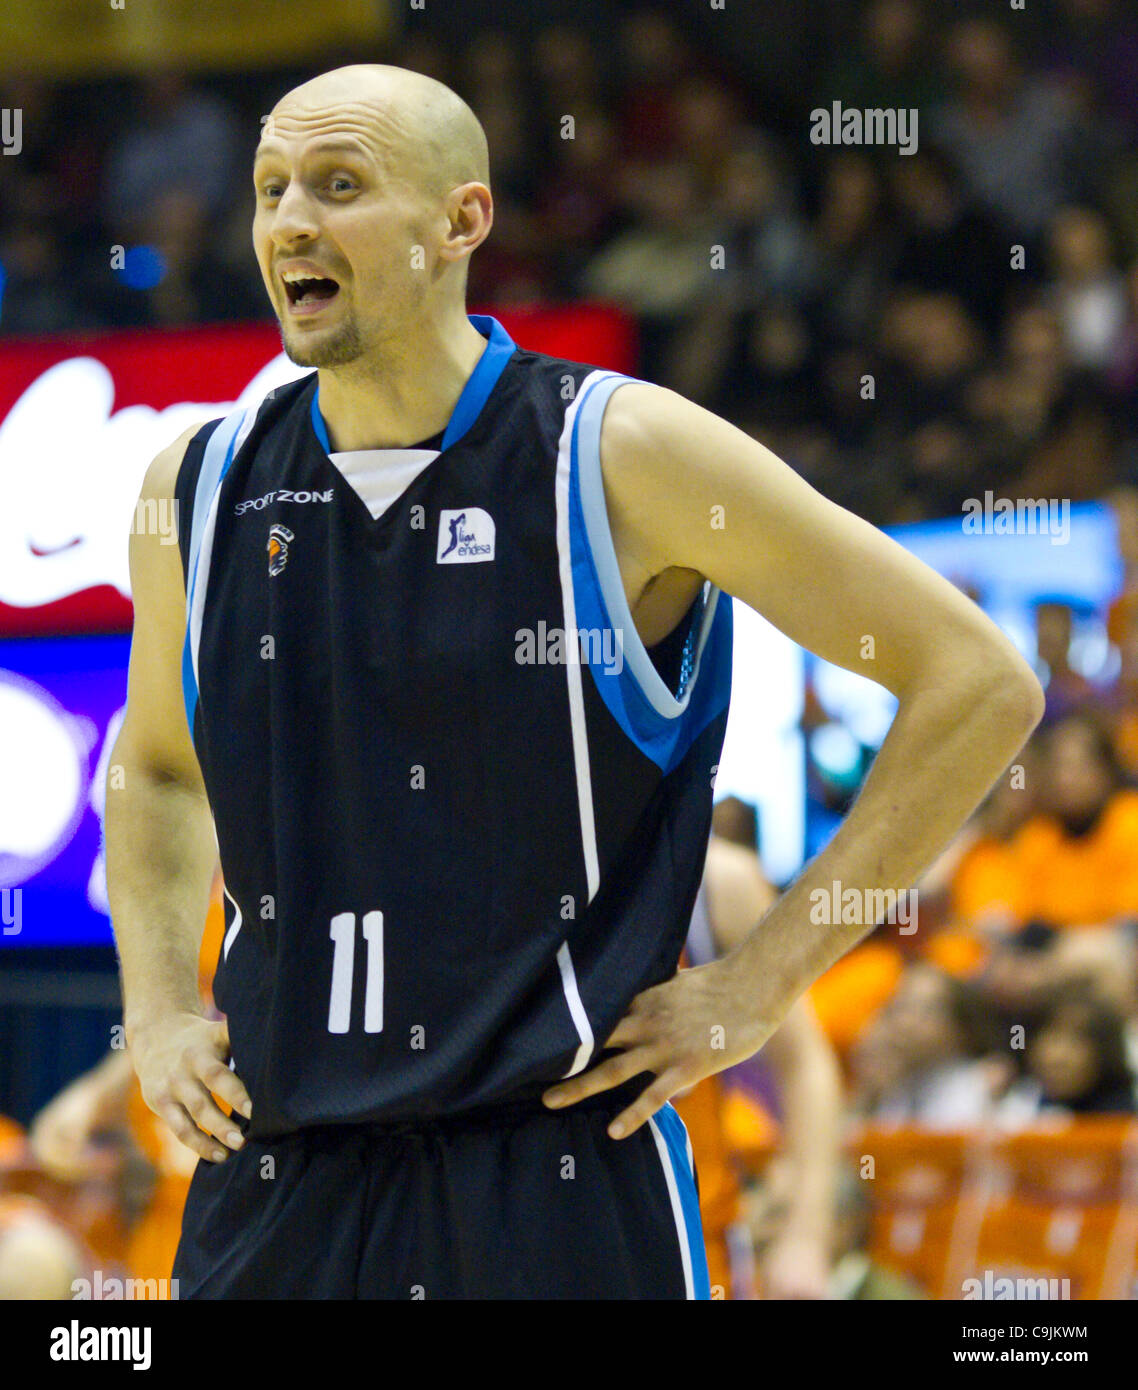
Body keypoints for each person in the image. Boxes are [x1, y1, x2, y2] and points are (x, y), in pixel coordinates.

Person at [105, 63, 1044, 1300]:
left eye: (340, 186)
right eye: (273, 189)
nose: (289, 222)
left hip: (550, 1176)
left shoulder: (619, 455)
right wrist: (163, 1006)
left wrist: (759, 984)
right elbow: (159, 767)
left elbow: (976, 680)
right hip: (279, 1179)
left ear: (462, 223)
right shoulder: (200, 489)